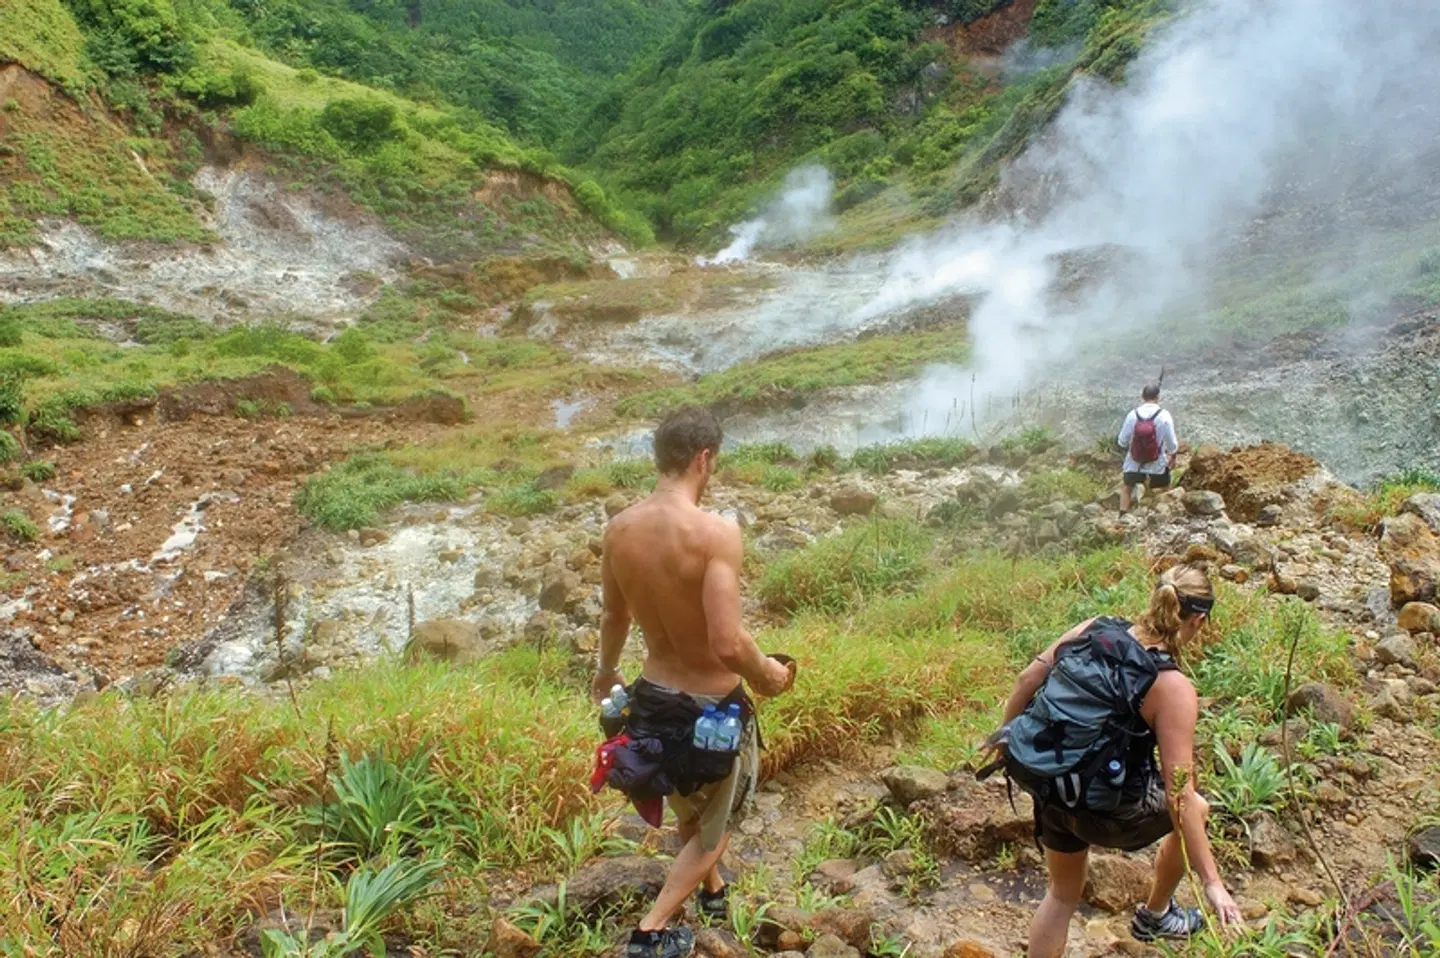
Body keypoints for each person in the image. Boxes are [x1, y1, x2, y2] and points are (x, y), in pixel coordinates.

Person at [596, 405, 796, 958]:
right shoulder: (715, 533)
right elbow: (728, 642)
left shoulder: (619, 530)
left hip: (652, 696)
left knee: (690, 797)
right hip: (713, 705)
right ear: (704, 459)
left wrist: (605, 670)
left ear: (659, 457)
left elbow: (615, 618)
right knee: (720, 819)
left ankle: (712, 890)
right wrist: (770, 675)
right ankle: (652, 930)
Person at [991, 564, 1241, 957]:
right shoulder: (1172, 687)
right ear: (1199, 619)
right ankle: (1156, 914)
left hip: (1049, 786)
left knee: (1061, 896)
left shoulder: (1095, 627)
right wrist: (1213, 884)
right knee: (1200, 806)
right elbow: (1180, 797)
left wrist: (1006, 738)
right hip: (1104, 812)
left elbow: (1027, 679)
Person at [1117, 383, 1178, 512]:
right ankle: (1160, 515)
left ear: (1142, 396)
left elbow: (1122, 441)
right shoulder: (1164, 415)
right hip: (1157, 463)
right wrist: (1173, 456)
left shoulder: (1132, 414)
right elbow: (1172, 444)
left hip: (1134, 461)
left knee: (1127, 488)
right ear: (1158, 397)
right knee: (1164, 489)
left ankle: (1122, 516)